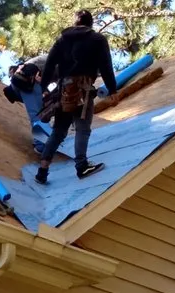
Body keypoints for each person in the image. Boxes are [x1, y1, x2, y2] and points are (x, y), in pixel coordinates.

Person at [34, 9, 117, 185]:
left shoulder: (63, 40)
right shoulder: (97, 40)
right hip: (83, 90)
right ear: (90, 23)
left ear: (75, 23)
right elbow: (106, 66)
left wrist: (43, 88)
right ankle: (82, 166)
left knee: (58, 131)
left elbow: (49, 65)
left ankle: (42, 171)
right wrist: (112, 89)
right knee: (82, 128)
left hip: (63, 91)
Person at [3, 54, 51, 154]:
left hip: (22, 82)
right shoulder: (62, 59)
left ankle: (44, 139)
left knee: (42, 110)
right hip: (26, 81)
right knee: (37, 114)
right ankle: (40, 145)